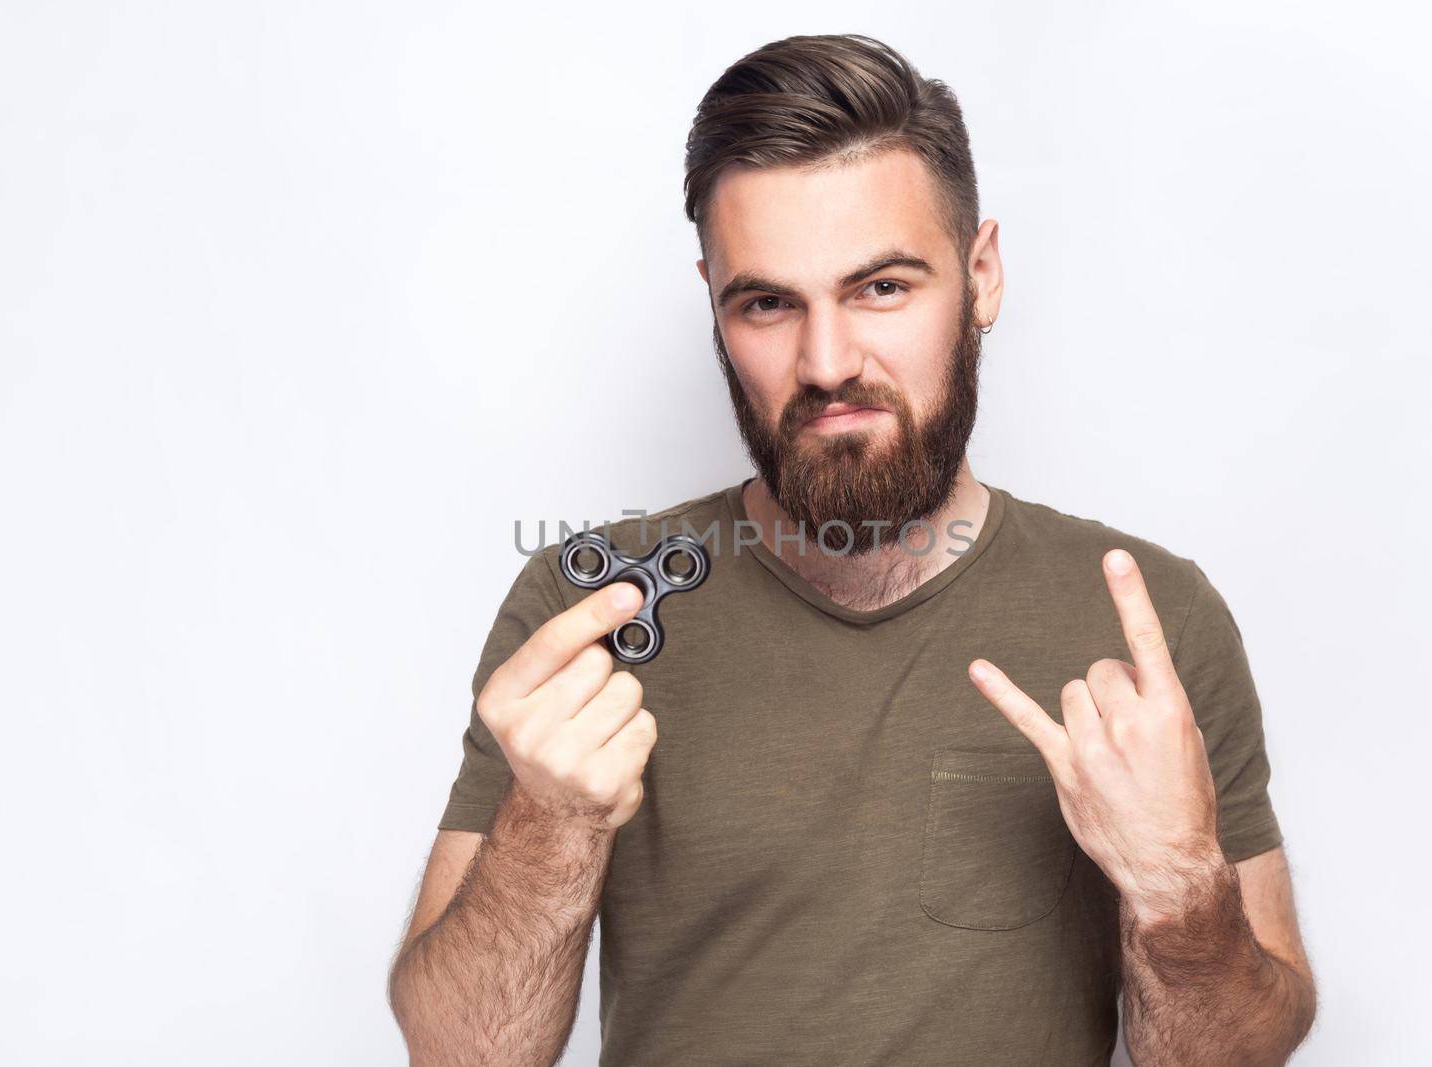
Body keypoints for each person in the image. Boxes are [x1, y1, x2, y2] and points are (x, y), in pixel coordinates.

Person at [387, 32, 1317, 1067]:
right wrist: (547, 824)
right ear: (714, 303)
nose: (826, 363)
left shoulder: (1152, 618)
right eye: (768, 302)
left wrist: (1179, 889)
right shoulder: (591, 610)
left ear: (981, 273)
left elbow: (1233, 1057)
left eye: (881, 287)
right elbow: (459, 1052)